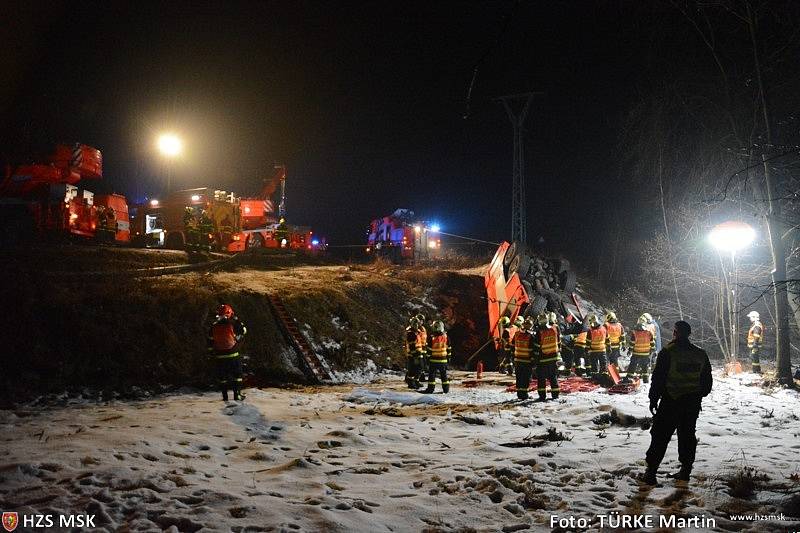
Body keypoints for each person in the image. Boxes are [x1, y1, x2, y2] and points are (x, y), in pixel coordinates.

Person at [642, 321, 712, 485]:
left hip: (671, 402)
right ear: (689, 334)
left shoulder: (668, 352)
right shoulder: (700, 354)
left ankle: (651, 473)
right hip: (691, 405)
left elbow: (658, 378)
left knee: (660, 436)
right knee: (687, 436)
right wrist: (697, 395)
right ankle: (685, 471)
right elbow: (707, 382)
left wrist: (653, 398)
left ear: (675, 333)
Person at [208, 304, 247, 401]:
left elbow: (210, 341)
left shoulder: (213, 327)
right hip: (233, 355)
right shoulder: (232, 324)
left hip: (220, 356)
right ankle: (237, 395)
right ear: (230, 313)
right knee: (237, 376)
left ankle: (225, 397)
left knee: (223, 378)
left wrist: (211, 354)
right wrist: (237, 319)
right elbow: (244, 331)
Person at [533, 313, 561, 400]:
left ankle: (542, 396)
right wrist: (558, 353)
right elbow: (559, 342)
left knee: (541, 379)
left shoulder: (539, 331)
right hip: (553, 358)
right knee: (553, 377)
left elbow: (537, 348)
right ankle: (555, 395)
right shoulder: (556, 328)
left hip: (543, 359)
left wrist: (535, 360)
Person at [424, 321, 451, 393]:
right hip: (443, 360)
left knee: (432, 375)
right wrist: (449, 357)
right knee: (444, 375)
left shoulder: (432, 338)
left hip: (434, 360)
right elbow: (449, 348)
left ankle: (430, 389)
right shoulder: (446, 337)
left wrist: (427, 358)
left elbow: (429, 350)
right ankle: (446, 389)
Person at [512, 317, 536, 400]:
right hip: (527, 361)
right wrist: (534, 361)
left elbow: (512, 346)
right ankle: (524, 395)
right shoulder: (531, 336)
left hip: (518, 360)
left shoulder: (517, 334)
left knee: (519, 378)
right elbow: (533, 350)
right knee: (526, 378)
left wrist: (513, 357)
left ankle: (519, 394)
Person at [628, 316, 655, 382]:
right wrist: (653, 349)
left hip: (636, 353)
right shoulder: (649, 333)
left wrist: (630, 350)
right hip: (645, 353)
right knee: (645, 367)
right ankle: (645, 380)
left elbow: (632, 343)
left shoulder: (635, 333)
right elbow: (652, 343)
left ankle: (629, 378)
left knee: (633, 365)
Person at [404, 317, 423, 389]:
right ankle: (410, 383)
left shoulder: (416, 332)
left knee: (419, 368)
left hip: (418, 353)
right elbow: (412, 346)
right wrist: (415, 355)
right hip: (413, 355)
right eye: (415, 324)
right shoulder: (411, 333)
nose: (417, 325)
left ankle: (415, 381)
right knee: (412, 369)